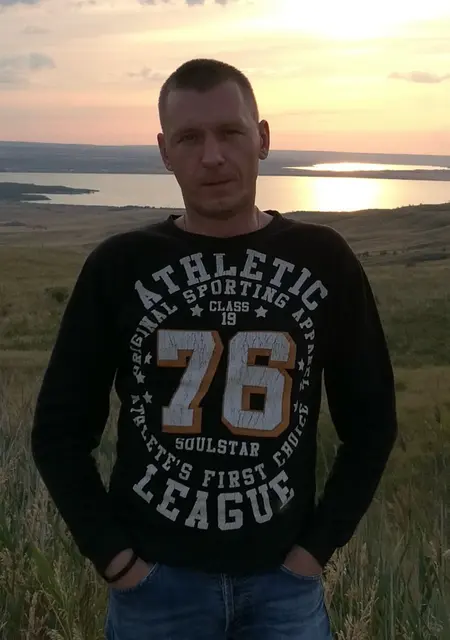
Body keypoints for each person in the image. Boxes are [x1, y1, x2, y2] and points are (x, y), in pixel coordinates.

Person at [31, 58, 398, 639]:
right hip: (156, 593)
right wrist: (118, 562)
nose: (212, 156)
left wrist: (313, 553)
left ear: (263, 138)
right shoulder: (119, 267)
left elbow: (372, 423)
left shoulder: (324, 261)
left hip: (285, 591)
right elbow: (58, 432)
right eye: (189, 138)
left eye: (230, 132)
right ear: (164, 151)